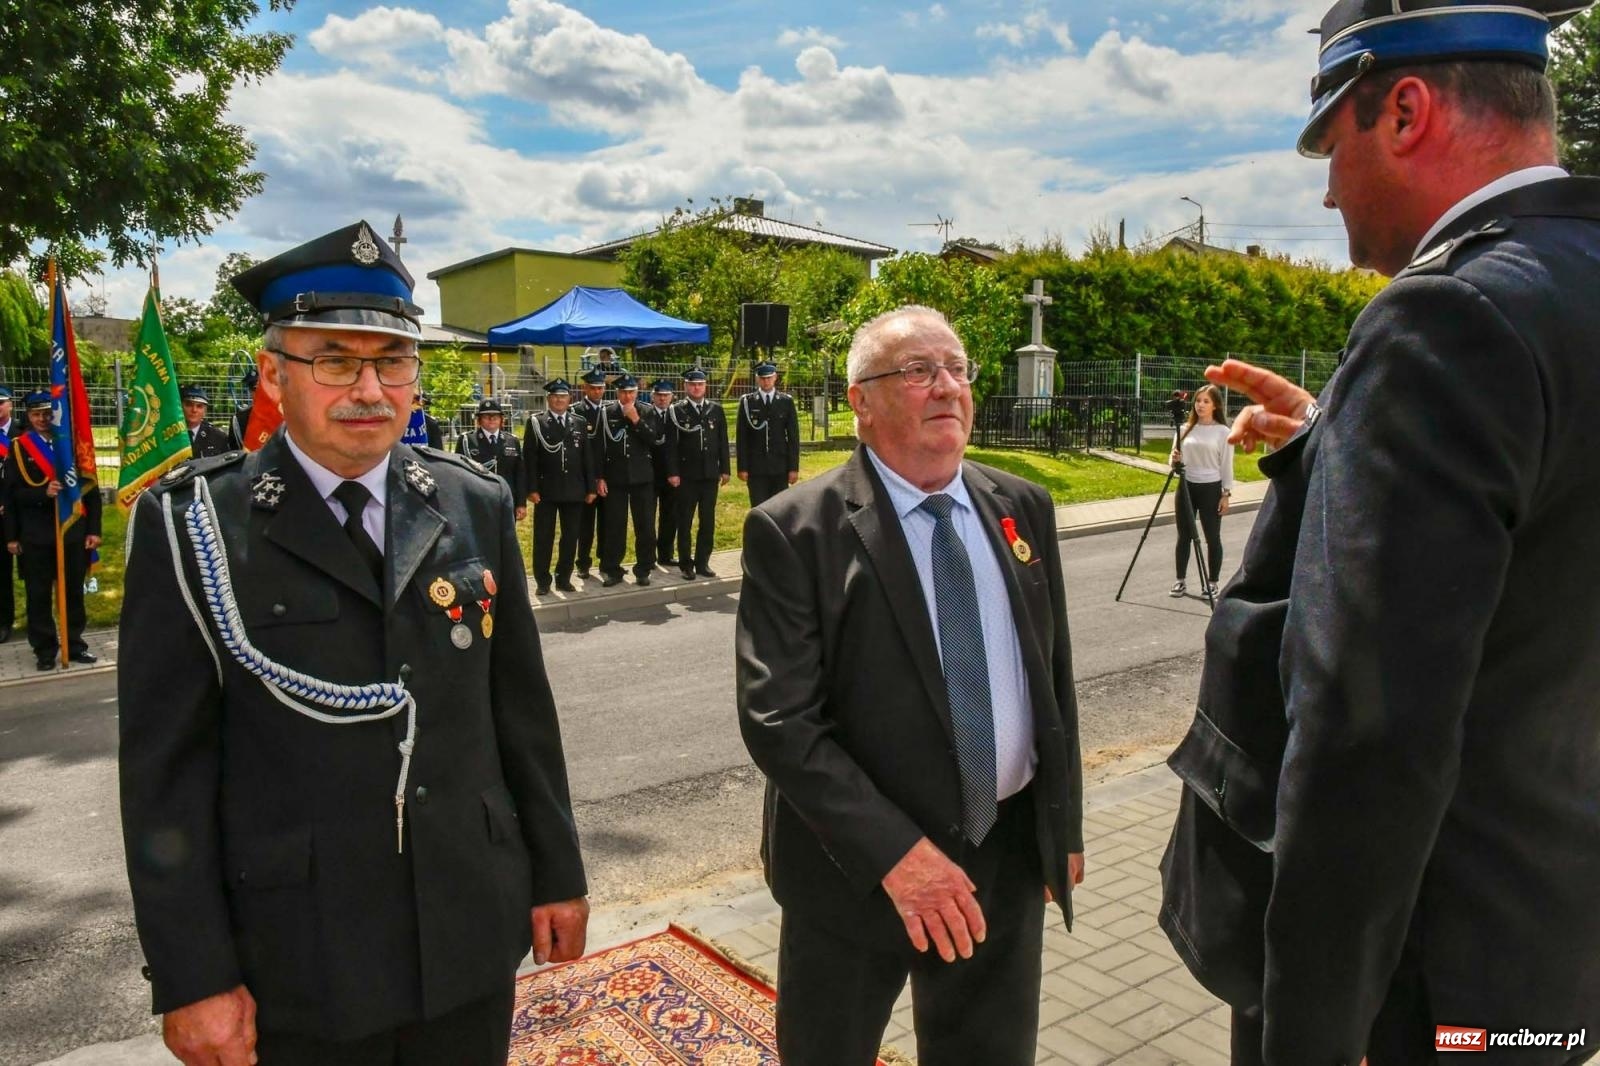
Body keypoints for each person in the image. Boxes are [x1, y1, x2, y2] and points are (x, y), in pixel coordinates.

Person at [1158, 3, 1600, 1063]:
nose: (1323, 187)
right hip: (1534, 946)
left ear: (1403, 109)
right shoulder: (1560, 278)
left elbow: (1369, 733)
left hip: (1412, 980)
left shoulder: (1441, 319)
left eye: (1328, 142)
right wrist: (1335, 434)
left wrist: (1320, 1025)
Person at [118, 220, 588, 1066]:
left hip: (465, 932)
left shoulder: (472, 499)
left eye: (392, 362)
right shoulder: (193, 525)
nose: (369, 388)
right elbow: (164, 776)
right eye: (334, 360)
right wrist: (193, 976)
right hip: (300, 957)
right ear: (273, 374)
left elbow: (520, 711)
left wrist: (557, 873)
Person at [736, 306, 1085, 1066]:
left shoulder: (1022, 507)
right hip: (858, 869)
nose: (948, 388)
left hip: (1004, 852)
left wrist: (1066, 827)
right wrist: (901, 858)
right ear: (862, 400)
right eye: (919, 371)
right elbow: (779, 720)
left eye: (957, 369)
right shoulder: (795, 530)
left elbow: (1051, 682)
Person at [4, 391, 101, 671]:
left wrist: (93, 530)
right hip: (35, 535)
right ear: (29, 417)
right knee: (38, 595)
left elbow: (90, 491)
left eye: (48, 413)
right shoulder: (19, 448)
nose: (43, 419)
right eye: (36, 414)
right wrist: (40, 494)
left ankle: (75, 644)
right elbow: (11, 496)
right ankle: (45, 649)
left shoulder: (71, 445)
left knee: (73, 592)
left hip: (71, 531)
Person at [524, 379, 596, 595]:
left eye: (563, 396)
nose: (559, 400)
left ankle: (563, 577)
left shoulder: (579, 422)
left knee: (570, 536)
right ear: (548, 399)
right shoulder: (537, 422)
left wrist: (591, 487)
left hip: (574, 490)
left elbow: (587, 457)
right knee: (543, 537)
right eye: (555, 396)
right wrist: (531, 488)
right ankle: (543, 581)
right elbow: (530, 458)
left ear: (569, 399)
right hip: (546, 490)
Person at [595, 373, 662, 588]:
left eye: (631, 391)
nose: (627, 395)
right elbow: (598, 447)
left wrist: (635, 419)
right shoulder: (606, 413)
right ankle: (612, 569)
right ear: (617, 392)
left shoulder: (647, 410)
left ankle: (643, 568)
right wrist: (600, 477)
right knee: (615, 525)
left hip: (642, 477)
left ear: (637, 392)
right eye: (623, 391)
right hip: (616, 478)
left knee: (645, 525)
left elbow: (653, 439)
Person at [1167, 383, 1232, 598]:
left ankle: (1212, 582)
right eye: (1198, 401)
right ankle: (1180, 581)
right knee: (1183, 536)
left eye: (1206, 401)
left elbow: (1226, 465)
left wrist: (1226, 494)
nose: (1200, 405)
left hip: (1211, 489)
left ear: (1215, 406)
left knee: (1212, 537)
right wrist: (1175, 461)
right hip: (1186, 486)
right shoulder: (1184, 429)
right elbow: (1172, 461)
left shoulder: (1223, 432)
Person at [670, 366, 729, 581]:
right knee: (684, 520)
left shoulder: (715, 409)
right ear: (686, 386)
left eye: (700, 384)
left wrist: (725, 469)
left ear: (705, 386)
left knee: (707, 519)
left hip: (709, 474)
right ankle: (686, 564)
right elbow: (671, 446)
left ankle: (703, 561)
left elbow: (722, 442)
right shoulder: (677, 410)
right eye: (693, 384)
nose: (696, 387)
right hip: (686, 475)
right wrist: (673, 472)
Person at [735, 360, 799, 507]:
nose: (766, 381)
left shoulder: (786, 401)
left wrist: (793, 468)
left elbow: (793, 438)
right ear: (757, 378)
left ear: (775, 377)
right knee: (758, 507)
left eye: (769, 377)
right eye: (762, 378)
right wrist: (742, 467)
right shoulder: (747, 402)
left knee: (779, 508)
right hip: (756, 467)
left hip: (780, 466)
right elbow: (742, 437)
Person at [456, 399, 526, 523]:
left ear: (501, 420)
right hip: (478, 500)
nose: (491, 419)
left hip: (506, 499)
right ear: (479, 420)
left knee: (506, 539)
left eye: (495, 416)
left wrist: (521, 503)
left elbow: (519, 474)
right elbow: (459, 473)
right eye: (486, 416)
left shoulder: (512, 441)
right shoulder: (467, 440)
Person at [573, 368, 608, 579]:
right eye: (593, 388)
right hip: (586, 475)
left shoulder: (610, 410)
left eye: (600, 388)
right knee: (585, 524)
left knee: (607, 522)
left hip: (607, 476)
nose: (597, 392)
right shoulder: (576, 411)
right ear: (585, 388)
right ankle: (583, 563)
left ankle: (605, 561)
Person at [647, 379, 680, 568]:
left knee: (670, 516)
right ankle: (649, 557)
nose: (662, 399)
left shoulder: (676, 415)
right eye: (658, 395)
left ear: (672, 397)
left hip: (672, 474)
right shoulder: (646, 414)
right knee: (648, 517)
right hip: (650, 474)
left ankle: (666, 554)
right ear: (652, 396)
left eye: (666, 395)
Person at [0, 387, 17, 644]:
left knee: (6, 572)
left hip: (14, 513)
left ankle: (5, 622)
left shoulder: (24, 434)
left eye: (1, 402)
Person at [181, 386, 232, 459]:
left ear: (205, 411)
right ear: (180, 407)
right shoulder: (169, 435)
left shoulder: (218, 437)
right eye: (189, 405)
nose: (194, 410)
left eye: (199, 406)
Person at [226, 367, 258, 450]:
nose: (259, 393)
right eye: (254, 389)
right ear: (250, 392)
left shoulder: (286, 416)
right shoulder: (238, 420)